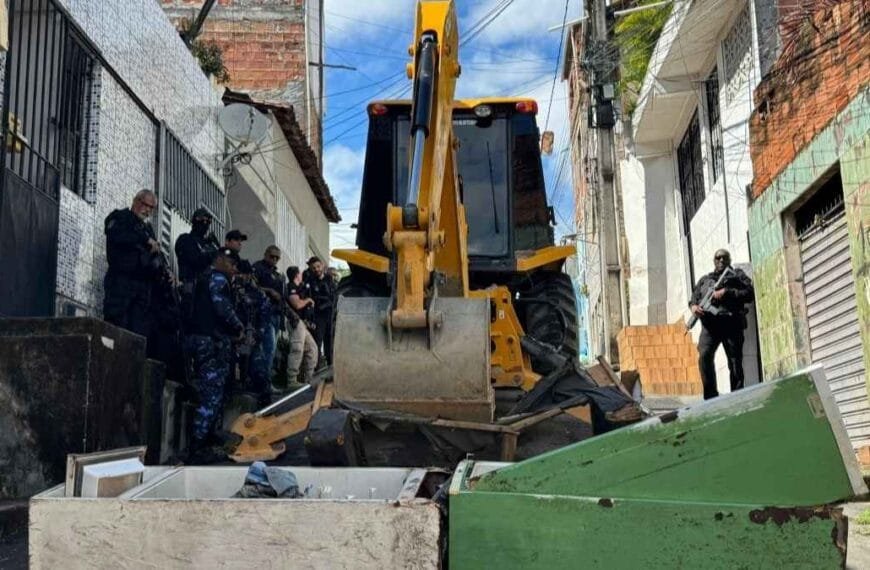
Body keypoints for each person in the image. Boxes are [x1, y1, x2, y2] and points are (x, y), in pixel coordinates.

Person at [185, 248, 244, 462]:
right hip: (209, 341)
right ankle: (198, 447)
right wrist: (239, 327)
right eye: (231, 264)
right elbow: (222, 308)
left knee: (212, 392)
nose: (234, 269)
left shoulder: (203, 278)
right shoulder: (217, 278)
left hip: (202, 339)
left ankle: (208, 438)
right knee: (211, 394)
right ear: (220, 260)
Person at [689, 249, 755, 400]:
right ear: (714, 261)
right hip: (710, 327)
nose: (721, 261)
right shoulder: (706, 280)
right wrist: (693, 307)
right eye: (718, 258)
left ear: (729, 259)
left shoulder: (737, 276)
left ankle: (737, 396)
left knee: (735, 362)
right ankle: (711, 396)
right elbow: (694, 298)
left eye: (724, 258)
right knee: (704, 356)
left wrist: (727, 292)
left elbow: (749, 293)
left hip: (731, 323)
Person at [103, 189, 161, 338]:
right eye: (146, 205)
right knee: (115, 330)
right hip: (120, 283)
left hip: (141, 288)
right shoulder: (120, 217)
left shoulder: (147, 229)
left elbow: (156, 254)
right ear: (136, 201)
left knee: (137, 335)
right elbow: (117, 235)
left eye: (151, 208)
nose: (148, 211)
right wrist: (144, 239)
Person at [250, 245, 286, 394]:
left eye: (277, 258)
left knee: (270, 350)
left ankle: (263, 382)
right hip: (263, 315)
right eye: (272, 256)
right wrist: (269, 291)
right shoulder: (257, 268)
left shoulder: (276, 274)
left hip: (276, 314)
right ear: (265, 254)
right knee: (267, 349)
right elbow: (251, 286)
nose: (274, 260)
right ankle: (263, 384)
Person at [285, 266, 318, 387]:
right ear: (297, 275)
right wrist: (308, 300)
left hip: (302, 323)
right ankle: (292, 380)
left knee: (312, 349)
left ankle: (309, 380)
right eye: (300, 274)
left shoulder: (300, 288)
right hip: (295, 321)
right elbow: (297, 304)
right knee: (297, 349)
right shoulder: (291, 287)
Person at [175, 207, 220, 287]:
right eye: (203, 221)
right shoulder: (185, 239)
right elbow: (194, 260)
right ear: (196, 221)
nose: (205, 225)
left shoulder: (208, 244)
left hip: (207, 289)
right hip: (191, 287)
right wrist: (211, 255)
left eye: (208, 222)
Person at [305, 256, 336, 366]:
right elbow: (309, 298)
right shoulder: (310, 281)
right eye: (314, 268)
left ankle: (330, 365)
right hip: (319, 315)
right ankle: (317, 367)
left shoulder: (329, 278)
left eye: (318, 266)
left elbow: (333, 296)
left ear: (322, 265)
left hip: (329, 313)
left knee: (330, 340)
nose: (317, 269)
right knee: (318, 340)